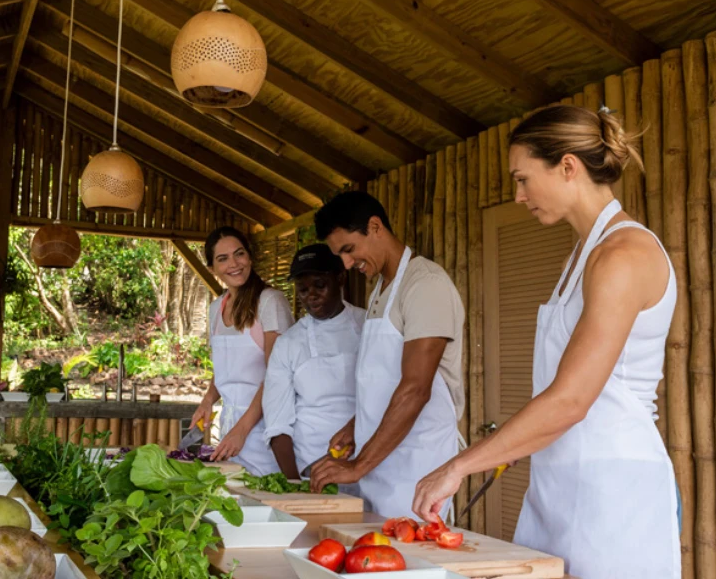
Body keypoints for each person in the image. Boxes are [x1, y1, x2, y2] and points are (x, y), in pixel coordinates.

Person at [411, 105, 679, 578]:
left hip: (613, 492)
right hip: (557, 482)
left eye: (523, 178)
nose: (518, 196)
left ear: (568, 167)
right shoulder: (581, 257)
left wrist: (456, 467)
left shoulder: (623, 255)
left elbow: (572, 399)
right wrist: (510, 448)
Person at [308, 191, 466, 520]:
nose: (348, 264)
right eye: (341, 256)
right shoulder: (381, 287)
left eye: (349, 250)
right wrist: (356, 424)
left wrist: (357, 466)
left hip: (416, 472)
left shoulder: (425, 285)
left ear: (376, 227)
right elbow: (382, 380)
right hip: (378, 465)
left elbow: (415, 389)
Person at [192, 227, 295, 476]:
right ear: (212, 269)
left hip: (265, 430)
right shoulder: (216, 309)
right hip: (230, 427)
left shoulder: (271, 302)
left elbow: (277, 376)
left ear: (250, 257)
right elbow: (226, 369)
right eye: (223, 258)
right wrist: (207, 400)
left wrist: (243, 429)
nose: (234, 264)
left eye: (239, 254)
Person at [261, 244, 365, 480]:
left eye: (320, 285)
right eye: (303, 289)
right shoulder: (289, 343)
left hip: (369, 462)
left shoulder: (369, 326)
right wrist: (295, 483)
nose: (311, 295)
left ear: (340, 278)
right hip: (310, 464)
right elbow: (278, 423)